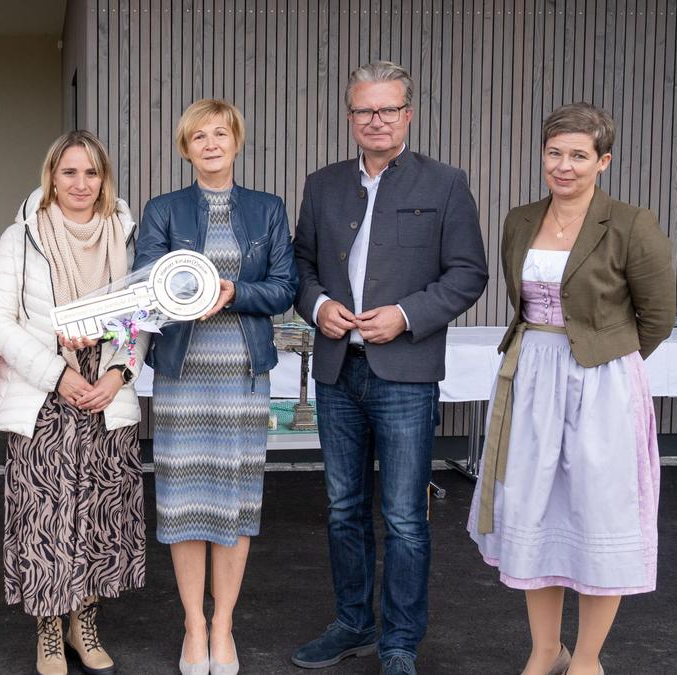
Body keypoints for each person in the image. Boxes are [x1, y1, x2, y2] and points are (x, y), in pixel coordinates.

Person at [291, 61, 488, 675]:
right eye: (363, 111)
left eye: (386, 109)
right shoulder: (321, 184)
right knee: (343, 506)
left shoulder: (446, 184)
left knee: (405, 515)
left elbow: (468, 274)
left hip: (405, 370)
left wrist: (405, 315)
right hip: (337, 371)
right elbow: (301, 265)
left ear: (408, 114)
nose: (374, 120)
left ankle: (400, 640)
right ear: (350, 117)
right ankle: (354, 623)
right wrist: (319, 305)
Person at [466, 103, 674, 675]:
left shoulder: (631, 223)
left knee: (599, 515)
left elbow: (656, 318)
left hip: (602, 383)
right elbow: (521, 299)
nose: (564, 166)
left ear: (602, 161)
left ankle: (586, 659)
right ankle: (544, 649)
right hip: (531, 377)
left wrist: (602, 366)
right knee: (537, 514)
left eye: (579, 155)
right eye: (554, 153)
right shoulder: (520, 219)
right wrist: (546, 362)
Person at [134, 98, 298, 675]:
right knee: (184, 505)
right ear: (185, 147)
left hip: (243, 374)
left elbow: (284, 287)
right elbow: (147, 288)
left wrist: (233, 293)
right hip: (184, 375)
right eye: (198, 136)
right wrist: (187, 298)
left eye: (220, 133)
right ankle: (193, 626)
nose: (210, 143)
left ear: (237, 141)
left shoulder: (268, 209)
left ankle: (224, 624)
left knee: (233, 504)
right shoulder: (163, 209)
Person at [0, 130, 146, 675]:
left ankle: (85, 625)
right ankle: (49, 631)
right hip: (45, 394)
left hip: (106, 396)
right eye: (69, 172)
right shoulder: (20, 238)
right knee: (47, 518)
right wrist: (57, 374)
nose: (81, 183)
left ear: (105, 180)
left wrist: (121, 372)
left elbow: (140, 316)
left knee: (100, 515)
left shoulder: (125, 236)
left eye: (91, 172)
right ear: (51, 175)